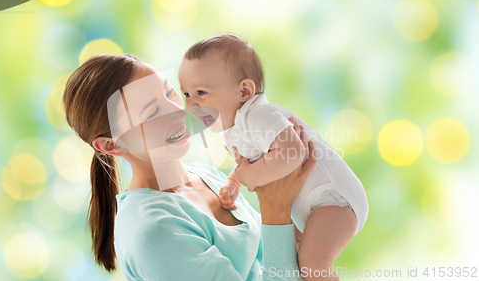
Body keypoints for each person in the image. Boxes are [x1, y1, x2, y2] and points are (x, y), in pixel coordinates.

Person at [62, 53, 317, 280]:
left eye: (169, 92)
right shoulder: (155, 234)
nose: (178, 111)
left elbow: (277, 254)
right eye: (152, 113)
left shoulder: (204, 175)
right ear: (110, 145)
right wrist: (275, 208)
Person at [178, 33, 369, 280]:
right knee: (294, 259)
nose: (191, 105)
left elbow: (292, 153)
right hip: (311, 205)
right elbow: (252, 160)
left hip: (334, 200)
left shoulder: (260, 116)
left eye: (201, 92)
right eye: (186, 95)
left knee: (313, 264)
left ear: (245, 91)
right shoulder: (232, 129)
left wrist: (248, 175)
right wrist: (235, 181)